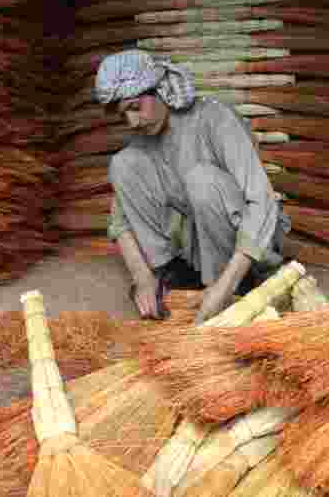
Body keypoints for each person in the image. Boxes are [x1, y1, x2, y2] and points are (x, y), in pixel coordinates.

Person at [94, 49, 291, 325]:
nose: (132, 122)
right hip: (199, 250)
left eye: (135, 107)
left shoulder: (214, 119)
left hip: (247, 248)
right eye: (123, 115)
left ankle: (237, 285)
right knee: (123, 164)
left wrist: (224, 286)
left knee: (202, 180)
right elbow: (120, 220)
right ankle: (178, 277)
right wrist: (143, 278)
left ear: (159, 88)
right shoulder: (142, 144)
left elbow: (261, 201)